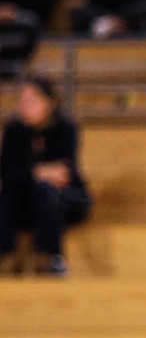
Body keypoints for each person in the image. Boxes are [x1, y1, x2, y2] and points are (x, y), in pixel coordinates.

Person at [0, 75, 90, 276]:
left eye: (31, 101)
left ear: (48, 103)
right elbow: (8, 174)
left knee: (45, 191)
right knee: (7, 196)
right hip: (23, 199)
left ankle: (51, 257)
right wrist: (38, 172)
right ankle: (5, 254)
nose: (24, 106)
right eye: (21, 101)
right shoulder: (13, 131)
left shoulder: (65, 129)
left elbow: (63, 174)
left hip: (64, 199)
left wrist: (29, 174)